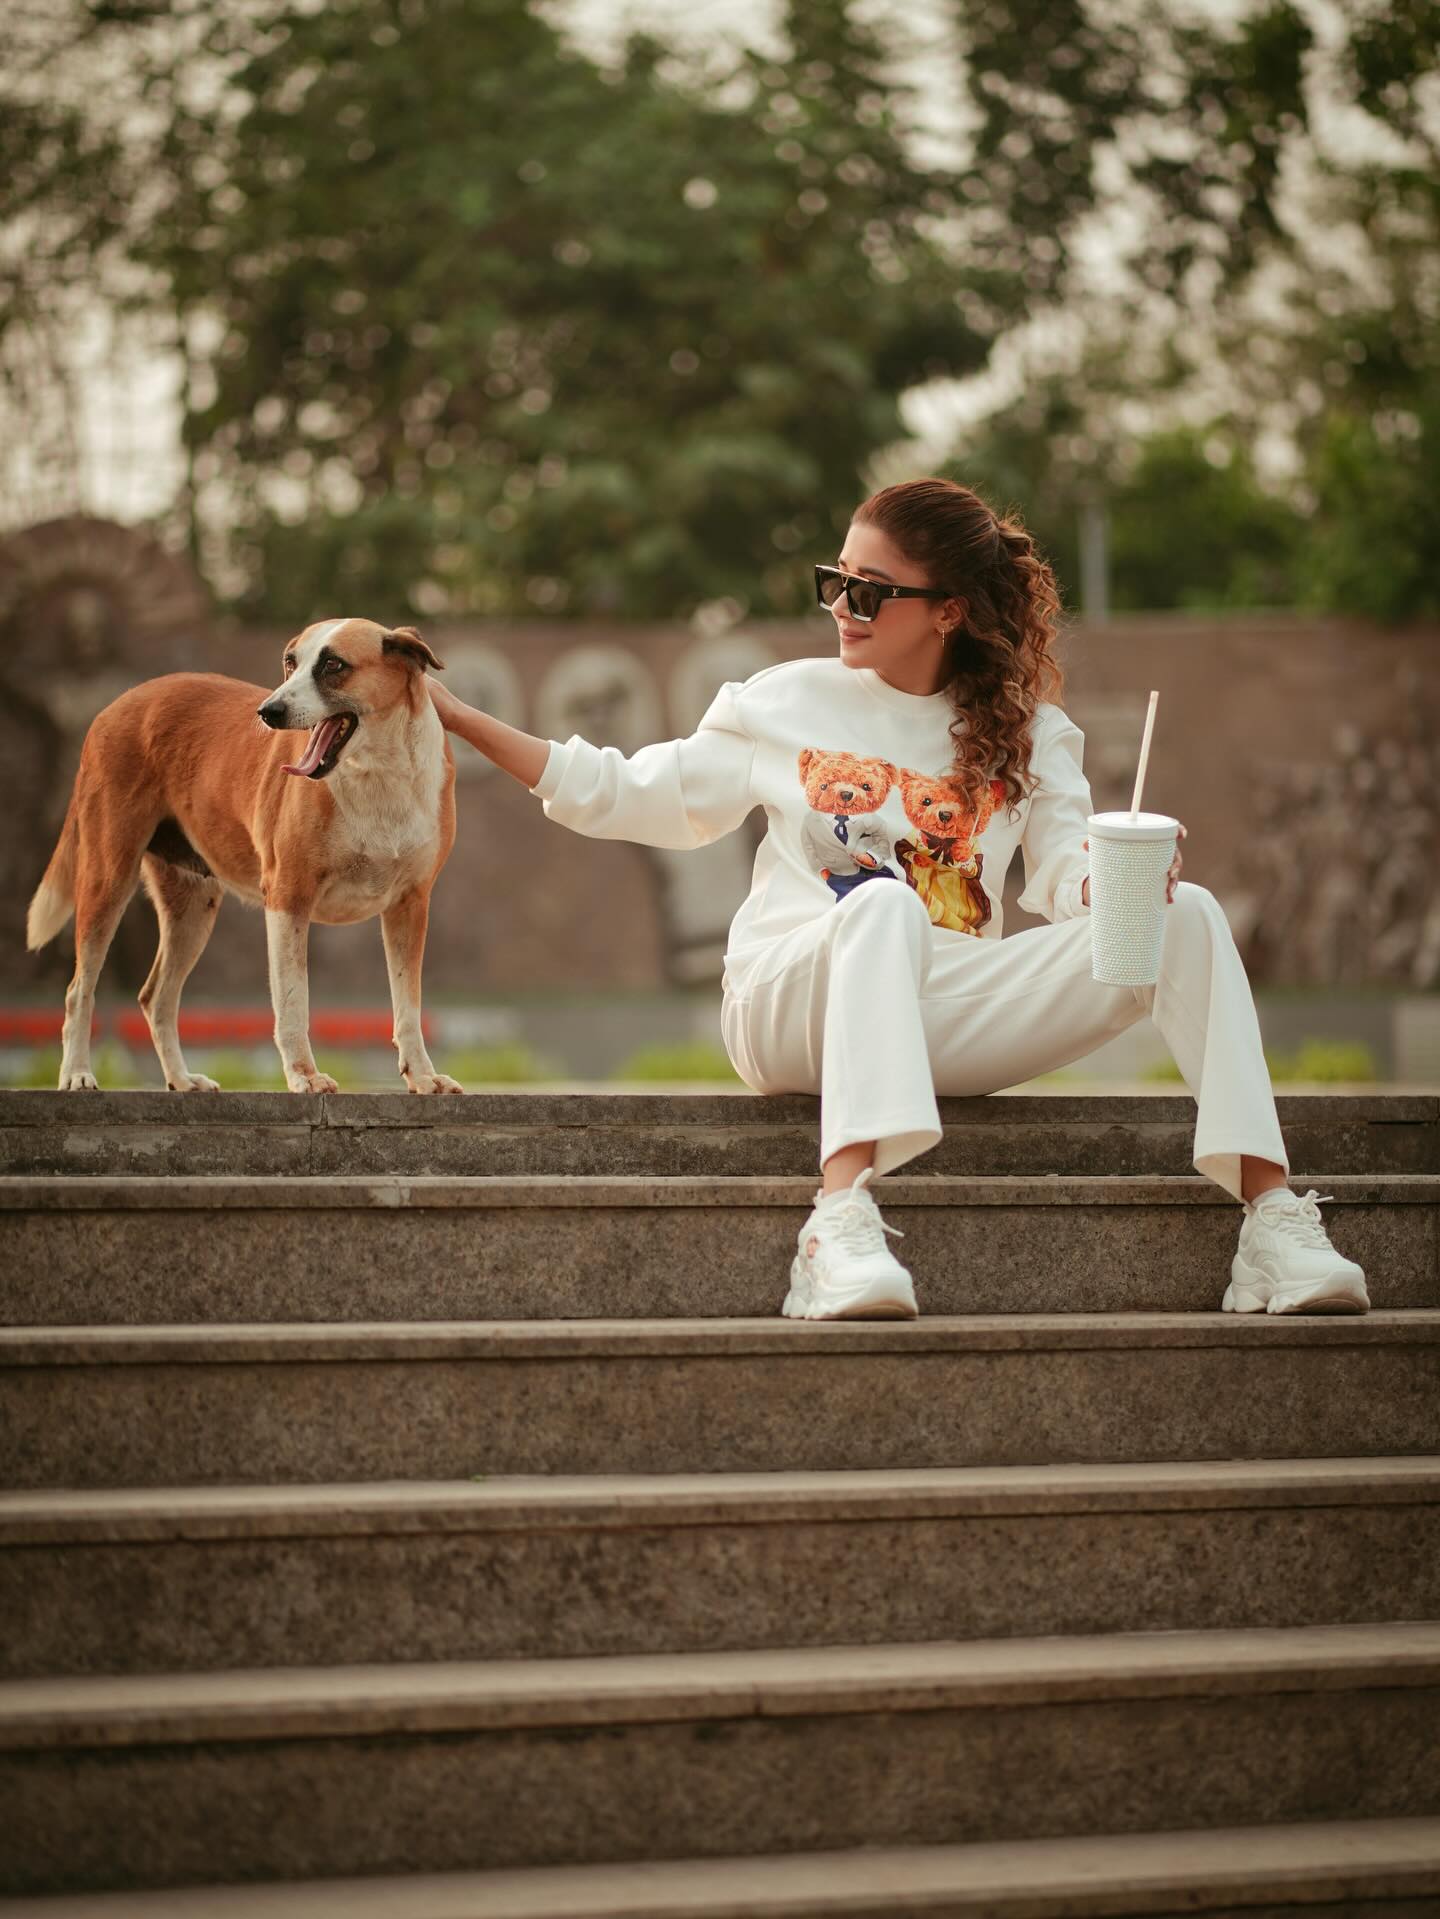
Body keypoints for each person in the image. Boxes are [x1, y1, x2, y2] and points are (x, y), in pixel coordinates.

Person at [427, 478, 1370, 1323]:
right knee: (882, 906)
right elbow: (623, 789)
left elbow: (1067, 878)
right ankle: (836, 1225)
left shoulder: (1033, 737)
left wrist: (1121, 885)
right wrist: (462, 718)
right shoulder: (783, 700)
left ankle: (1270, 1225)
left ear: (949, 610)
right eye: (834, 580)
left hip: (944, 1015)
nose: (843, 605)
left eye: (870, 590)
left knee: (1189, 916)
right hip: (787, 1001)